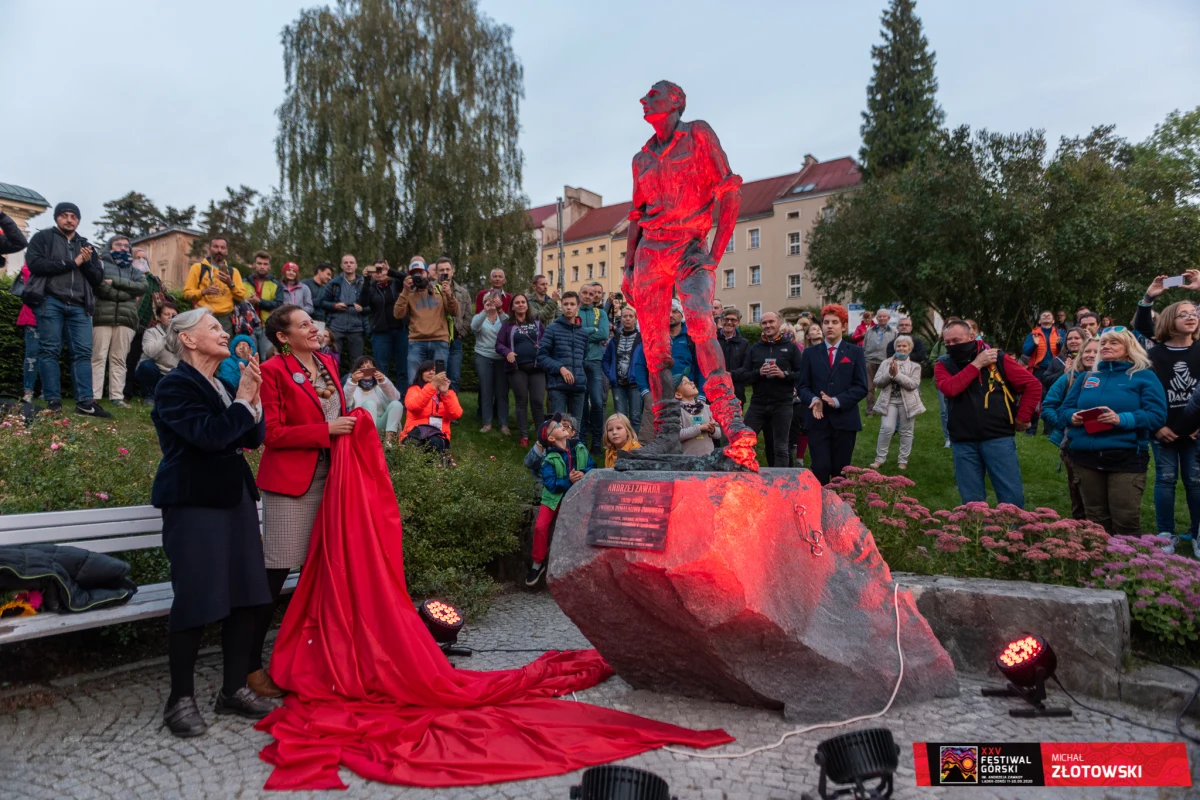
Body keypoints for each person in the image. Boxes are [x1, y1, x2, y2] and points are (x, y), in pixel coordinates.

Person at [148, 308, 273, 736]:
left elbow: (250, 438)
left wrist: (251, 397)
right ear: (188, 340)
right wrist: (242, 403)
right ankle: (179, 700)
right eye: (214, 328)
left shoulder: (222, 383)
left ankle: (233, 691)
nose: (226, 333)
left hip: (235, 497)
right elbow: (210, 436)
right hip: (193, 501)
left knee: (245, 595)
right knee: (197, 598)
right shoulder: (173, 387)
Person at [619, 80, 754, 468]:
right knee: (655, 346)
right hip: (650, 255)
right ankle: (665, 435)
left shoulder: (697, 133)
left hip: (689, 248)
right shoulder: (641, 158)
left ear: (676, 102)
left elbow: (729, 189)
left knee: (700, 325)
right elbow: (637, 215)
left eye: (654, 95)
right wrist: (628, 267)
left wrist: (714, 253)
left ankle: (733, 423)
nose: (645, 100)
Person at [254, 304, 354, 699]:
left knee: (324, 574)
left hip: (333, 480)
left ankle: (315, 657)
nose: (313, 329)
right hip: (290, 485)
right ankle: (248, 664)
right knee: (275, 573)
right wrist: (325, 430)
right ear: (283, 337)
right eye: (303, 325)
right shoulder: (272, 371)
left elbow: (338, 414)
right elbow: (273, 434)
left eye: (312, 323)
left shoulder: (328, 363)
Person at [1060, 328, 1166, 534]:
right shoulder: (1086, 377)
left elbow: (1157, 416)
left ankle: (1125, 565)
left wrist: (1122, 419)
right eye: (1104, 343)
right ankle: (1099, 564)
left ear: (1129, 348)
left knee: (1125, 519)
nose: (1106, 346)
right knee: (1095, 519)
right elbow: (1063, 410)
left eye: (1114, 343)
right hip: (1085, 457)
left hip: (1125, 456)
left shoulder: (1143, 376)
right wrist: (1072, 417)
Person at [935, 320, 1040, 508]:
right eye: (947, 343)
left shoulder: (997, 358)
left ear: (971, 337)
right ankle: (977, 535)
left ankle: (1014, 535)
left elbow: (1032, 384)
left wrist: (1023, 417)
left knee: (1011, 496)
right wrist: (977, 364)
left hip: (998, 436)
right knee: (972, 501)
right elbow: (950, 389)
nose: (952, 346)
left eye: (957, 341)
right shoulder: (943, 364)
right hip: (963, 439)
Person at [24, 201, 111, 417]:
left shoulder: (87, 245)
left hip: (80, 306)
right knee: (49, 350)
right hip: (50, 301)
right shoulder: (43, 238)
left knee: (83, 353)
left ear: (78, 220)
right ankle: (53, 402)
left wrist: (87, 262)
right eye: (65, 215)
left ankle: (85, 403)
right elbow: (35, 264)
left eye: (74, 216)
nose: (69, 219)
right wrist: (72, 262)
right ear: (57, 218)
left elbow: (98, 278)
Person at [1134, 271, 1200, 550]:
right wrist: (1149, 296)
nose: (1190, 316)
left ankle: (1197, 533)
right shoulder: (1153, 355)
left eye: (1193, 312)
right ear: (1169, 322)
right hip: (1164, 431)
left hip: (1196, 431)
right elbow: (1144, 395)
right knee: (1165, 479)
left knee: (1196, 480)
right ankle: (1165, 533)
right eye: (1182, 314)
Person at [797, 304, 869, 484]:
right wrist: (814, 399)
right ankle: (820, 508)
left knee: (840, 472)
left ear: (843, 326)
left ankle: (840, 509)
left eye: (835, 322)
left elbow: (861, 387)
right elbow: (802, 386)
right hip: (817, 421)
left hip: (845, 421)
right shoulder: (809, 354)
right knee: (820, 469)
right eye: (826, 322)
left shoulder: (855, 352)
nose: (829, 326)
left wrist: (837, 401)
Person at [527, 414, 594, 587]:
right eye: (557, 426)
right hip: (552, 499)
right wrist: (568, 481)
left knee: (579, 527)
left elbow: (593, 466)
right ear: (551, 438)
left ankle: (580, 564)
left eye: (564, 425)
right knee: (541, 526)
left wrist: (584, 473)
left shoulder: (580, 448)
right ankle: (537, 563)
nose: (562, 426)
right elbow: (550, 484)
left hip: (576, 497)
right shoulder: (548, 459)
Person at [1041, 335, 1098, 520]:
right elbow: (1048, 405)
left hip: (1105, 443)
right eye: (1087, 351)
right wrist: (1065, 422)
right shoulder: (1069, 378)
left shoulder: (1115, 379)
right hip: (1073, 443)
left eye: (1096, 352)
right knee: (1078, 492)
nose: (1091, 355)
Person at [739, 311, 803, 468]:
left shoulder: (791, 348)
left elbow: (802, 374)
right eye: (764, 323)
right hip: (758, 403)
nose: (768, 325)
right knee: (742, 441)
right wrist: (758, 373)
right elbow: (744, 375)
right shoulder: (755, 349)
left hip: (782, 403)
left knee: (781, 447)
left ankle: (781, 484)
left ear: (779, 323)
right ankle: (741, 477)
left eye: (771, 322)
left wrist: (784, 374)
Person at [91, 235, 149, 408]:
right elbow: (99, 286)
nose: (123, 248)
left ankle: (117, 396)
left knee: (119, 359)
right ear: (110, 247)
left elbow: (142, 287)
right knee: (98, 356)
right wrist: (127, 294)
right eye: (119, 245)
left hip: (127, 319)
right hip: (101, 316)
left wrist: (115, 282)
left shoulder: (135, 270)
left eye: (126, 245)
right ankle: (93, 395)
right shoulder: (100, 264)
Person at [394, 257, 457, 385]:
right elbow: (398, 314)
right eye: (414, 273)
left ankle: (437, 405)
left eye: (421, 272)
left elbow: (454, 311)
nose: (418, 276)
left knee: (439, 381)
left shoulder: (439, 290)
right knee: (414, 380)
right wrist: (405, 291)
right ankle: (415, 405)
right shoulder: (408, 294)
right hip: (417, 342)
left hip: (439, 341)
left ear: (427, 273)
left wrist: (449, 294)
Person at [496, 293, 546, 448]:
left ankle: (541, 437)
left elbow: (547, 341)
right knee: (521, 400)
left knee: (538, 401)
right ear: (512, 306)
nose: (520, 304)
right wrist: (508, 353)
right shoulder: (507, 325)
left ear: (527, 305)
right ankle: (523, 436)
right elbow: (498, 344)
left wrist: (542, 347)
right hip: (516, 368)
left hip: (537, 367)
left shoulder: (537, 323)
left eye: (523, 302)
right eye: (517, 302)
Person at [869, 335, 925, 470]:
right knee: (886, 428)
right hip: (889, 401)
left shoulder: (915, 366)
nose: (901, 348)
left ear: (909, 348)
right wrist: (889, 374)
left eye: (904, 346)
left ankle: (903, 460)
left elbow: (913, 384)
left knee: (906, 431)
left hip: (908, 402)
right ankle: (879, 459)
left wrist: (897, 375)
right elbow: (877, 382)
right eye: (899, 346)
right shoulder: (885, 363)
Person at [538, 291, 589, 422]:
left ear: (578, 306)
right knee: (557, 426)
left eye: (572, 304)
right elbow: (542, 357)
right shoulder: (552, 329)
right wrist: (560, 368)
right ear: (561, 306)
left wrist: (580, 375)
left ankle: (575, 443)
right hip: (558, 386)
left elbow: (584, 357)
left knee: (575, 427)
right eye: (565, 304)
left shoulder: (583, 333)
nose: (569, 307)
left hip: (578, 386)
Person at [183, 236, 246, 334]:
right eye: (215, 247)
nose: (219, 250)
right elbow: (186, 294)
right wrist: (203, 291)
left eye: (222, 247)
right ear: (209, 249)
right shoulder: (197, 268)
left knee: (224, 347)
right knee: (204, 347)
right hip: (203, 316)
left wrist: (230, 284)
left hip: (226, 320)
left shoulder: (233, 272)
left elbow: (241, 297)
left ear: (226, 251)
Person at [362, 259, 409, 390]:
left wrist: (391, 271)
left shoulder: (397, 284)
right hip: (381, 332)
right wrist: (366, 280)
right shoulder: (371, 288)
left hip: (401, 330)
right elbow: (363, 303)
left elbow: (408, 278)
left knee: (402, 367)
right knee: (381, 368)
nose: (378, 273)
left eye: (381, 269)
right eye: (375, 270)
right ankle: (383, 398)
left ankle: (403, 398)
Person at [343, 355, 405, 445]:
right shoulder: (353, 386)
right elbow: (346, 403)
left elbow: (395, 397)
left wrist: (384, 381)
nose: (366, 370)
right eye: (362, 368)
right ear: (356, 371)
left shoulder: (380, 385)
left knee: (397, 404)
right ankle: (372, 441)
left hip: (383, 425)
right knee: (370, 404)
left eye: (369, 367)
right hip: (363, 427)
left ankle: (389, 441)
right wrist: (352, 382)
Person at [1019, 310, 1064, 436]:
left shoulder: (1060, 334)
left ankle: (1049, 430)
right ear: (1039, 321)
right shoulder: (1033, 334)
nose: (1046, 316)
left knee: (1052, 398)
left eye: (1049, 315)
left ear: (1053, 320)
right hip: (1039, 370)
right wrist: (1034, 345)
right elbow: (1026, 352)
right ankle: (1031, 430)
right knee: (1035, 399)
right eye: (1043, 315)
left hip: (1056, 370)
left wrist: (1060, 345)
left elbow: (1064, 351)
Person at [472, 291, 511, 434]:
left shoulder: (503, 317)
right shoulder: (479, 317)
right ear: (483, 303)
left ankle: (504, 424)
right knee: (486, 389)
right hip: (483, 355)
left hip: (501, 357)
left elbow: (510, 326)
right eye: (487, 300)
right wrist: (484, 311)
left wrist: (500, 310)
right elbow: (474, 327)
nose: (491, 302)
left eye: (494, 299)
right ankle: (487, 422)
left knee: (502, 391)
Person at [402, 360, 464, 449]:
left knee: (434, 442)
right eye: (428, 370)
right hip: (415, 433)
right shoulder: (414, 389)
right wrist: (432, 386)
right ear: (421, 373)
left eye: (435, 370)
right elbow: (413, 406)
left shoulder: (448, 393)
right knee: (415, 444)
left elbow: (456, 414)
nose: (431, 372)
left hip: (438, 435)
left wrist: (445, 394)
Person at [320, 254, 368, 368]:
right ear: (342, 266)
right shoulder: (334, 283)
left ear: (356, 265)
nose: (349, 265)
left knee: (357, 363)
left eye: (351, 262)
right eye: (346, 263)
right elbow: (322, 302)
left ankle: (354, 385)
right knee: (331, 360)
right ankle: (332, 385)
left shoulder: (363, 283)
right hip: (336, 327)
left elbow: (372, 307)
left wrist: (362, 309)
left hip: (357, 328)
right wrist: (335, 306)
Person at [579, 282, 611, 454]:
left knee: (598, 402)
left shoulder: (601, 313)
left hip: (595, 362)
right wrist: (592, 330)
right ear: (580, 294)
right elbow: (571, 333)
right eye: (585, 293)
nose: (588, 296)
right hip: (577, 362)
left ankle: (597, 442)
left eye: (591, 294)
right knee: (581, 402)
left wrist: (581, 333)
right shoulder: (574, 312)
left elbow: (604, 334)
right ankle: (582, 440)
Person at [435, 257, 474, 392]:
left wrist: (462, 333)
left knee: (454, 376)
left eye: (447, 269)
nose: (445, 272)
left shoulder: (462, 292)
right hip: (438, 338)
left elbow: (468, 314)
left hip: (455, 339)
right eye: (441, 270)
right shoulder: (430, 289)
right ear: (436, 272)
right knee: (438, 376)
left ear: (453, 271)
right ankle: (437, 409)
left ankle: (452, 410)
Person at [603, 305, 644, 432]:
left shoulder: (641, 339)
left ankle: (635, 447)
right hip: (618, 385)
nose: (627, 319)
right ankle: (623, 446)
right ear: (621, 319)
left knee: (636, 417)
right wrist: (610, 375)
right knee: (621, 417)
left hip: (635, 384)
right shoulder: (615, 339)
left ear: (636, 319)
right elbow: (606, 359)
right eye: (625, 316)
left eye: (630, 316)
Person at [135, 304, 180, 402]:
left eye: (174, 315)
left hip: (171, 373)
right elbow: (150, 352)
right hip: (154, 372)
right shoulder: (151, 332)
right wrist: (167, 335)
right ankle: (148, 396)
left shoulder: (182, 334)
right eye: (167, 314)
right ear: (159, 317)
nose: (170, 317)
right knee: (146, 366)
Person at [246, 251, 281, 358]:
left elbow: (279, 304)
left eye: (265, 264)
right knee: (249, 359)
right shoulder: (244, 282)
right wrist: (246, 301)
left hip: (267, 326)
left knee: (266, 357)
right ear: (254, 264)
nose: (262, 266)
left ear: (269, 266)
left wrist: (259, 302)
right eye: (259, 263)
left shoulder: (276, 284)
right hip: (248, 326)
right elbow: (238, 303)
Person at [676, 375, 720, 456]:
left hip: (708, 459)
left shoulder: (707, 408)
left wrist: (712, 430)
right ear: (678, 394)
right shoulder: (677, 411)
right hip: (687, 461)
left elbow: (719, 434)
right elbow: (677, 435)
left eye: (690, 381)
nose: (692, 382)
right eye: (686, 383)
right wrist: (700, 428)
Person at [862, 308, 896, 413]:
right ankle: (870, 410)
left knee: (886, 388)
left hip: (885, 362)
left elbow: (895, 348)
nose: (882, 318)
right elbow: (864, 346)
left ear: (888, 318)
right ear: (876, 318)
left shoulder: (894, 332)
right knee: (869, 388)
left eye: (884, 316)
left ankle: (885, 409)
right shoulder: (869, 331)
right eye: (880, 316)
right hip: (870, 361)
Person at [16, 264, 40, 404]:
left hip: (52, 318)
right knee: (32, 355)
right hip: (32, 318)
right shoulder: (29, 267)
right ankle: (28, 391)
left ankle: (47, 392)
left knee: (49, 355)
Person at [718, 308, 750, 406]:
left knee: (735, 420)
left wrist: (732, 374)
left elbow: (747, 367)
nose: (729, 322)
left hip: (736, 391)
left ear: (738, 323)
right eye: (726, 319)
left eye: (733, 320)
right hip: (715, 389)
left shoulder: (744, 343)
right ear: (721, 321)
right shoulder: (713, 340)